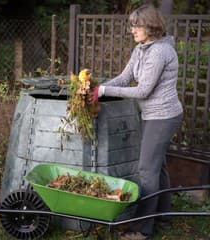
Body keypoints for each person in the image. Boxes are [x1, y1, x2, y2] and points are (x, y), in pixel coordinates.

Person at [89, 4, 183, 240]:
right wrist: (99, 89)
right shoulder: (141, 49)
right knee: (157, 166)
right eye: (132, 26)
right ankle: (164, 216)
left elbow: (142, 91)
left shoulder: (160, 52)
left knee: (146, 170)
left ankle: (142, 229)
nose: (132, 30)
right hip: (152, 115)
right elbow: (125, 77)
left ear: (150, 26)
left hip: (164, 116)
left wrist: (103, 91)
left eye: (136, 25)